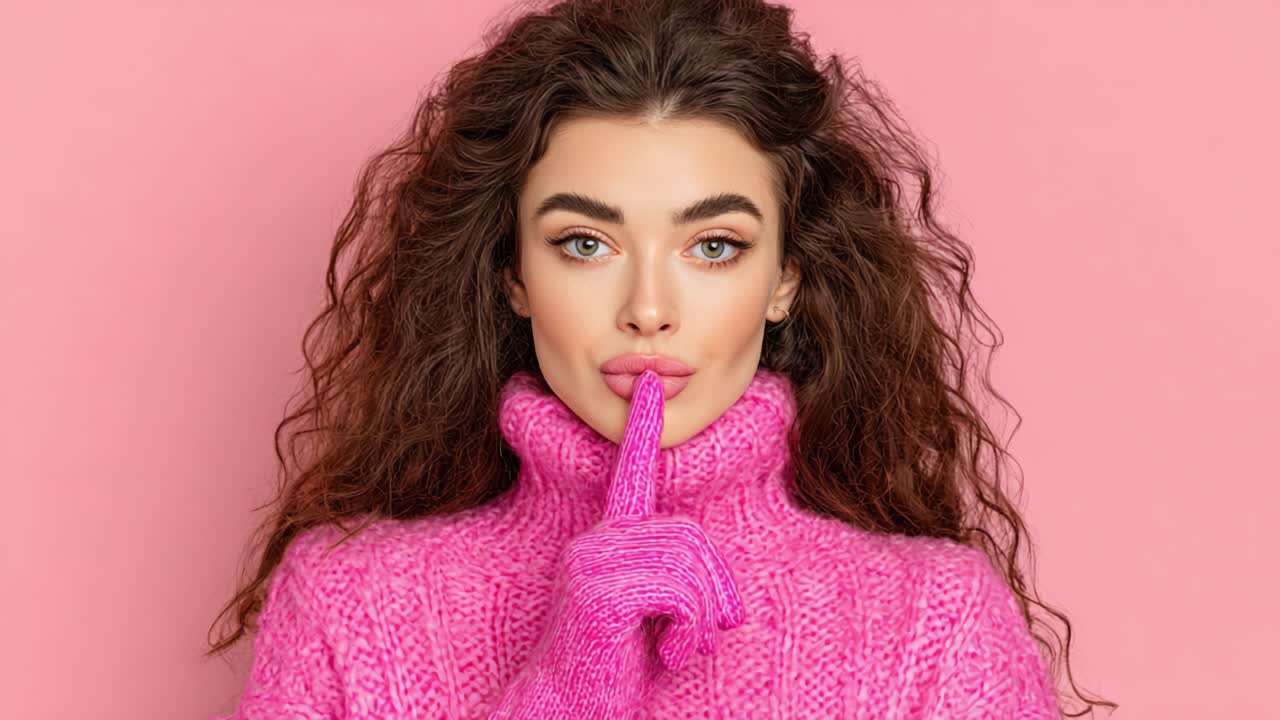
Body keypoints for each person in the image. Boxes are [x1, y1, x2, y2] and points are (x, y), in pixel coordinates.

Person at [205, 0, 1116, 717]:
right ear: (512, 275)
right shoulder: (348, 605)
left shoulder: (933, 618)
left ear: (785, 281)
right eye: (584, 245)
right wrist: (563, 696)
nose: (648, 309)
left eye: (713, 246)